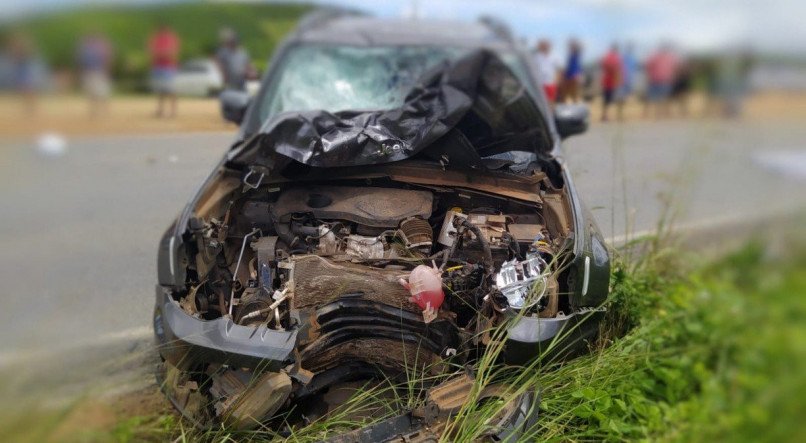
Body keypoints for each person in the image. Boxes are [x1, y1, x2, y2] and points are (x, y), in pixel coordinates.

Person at [77, 31, 113, 117]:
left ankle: (105, 110)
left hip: (99, 72)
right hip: (89, 72)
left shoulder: (101, 48)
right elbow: (80, 62)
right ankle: (93, 111)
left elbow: (107, 59)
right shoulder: (85, 49)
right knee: (91, 93)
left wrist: (107, 70)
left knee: (102, 93)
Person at [149, 23, 180, 118]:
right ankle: (160, 110)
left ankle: (173, 110)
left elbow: (171, 52)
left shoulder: (171, 39)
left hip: (168, 67)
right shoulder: (156, 39)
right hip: (158, 66)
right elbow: (152, 51)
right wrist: (162, 52)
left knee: (171, 89)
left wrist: (161, 53)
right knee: (160, 90)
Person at [643, 44, 678, 118]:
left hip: (659, 80)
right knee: (663, 98)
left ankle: (659, 114)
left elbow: (648, 66)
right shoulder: (670, 58)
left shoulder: (656, 57)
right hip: (661, 80)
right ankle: (663, 114)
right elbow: (675, 69)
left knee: (658, 98)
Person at [533, 39, 561, 104]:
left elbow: (559, 70)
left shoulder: (555, 56)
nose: (544, 46)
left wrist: (557, 81)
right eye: (543, 45)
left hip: (550, 83)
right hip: (539, 84)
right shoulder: (536, 57)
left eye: (546, 45)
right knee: (539, 103)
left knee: (550, 102)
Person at [600, 43, 622, 122]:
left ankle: (606, 116)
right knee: (611, 99)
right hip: (610, 82)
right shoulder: (614, 58)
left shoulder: (608, 57)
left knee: (607, 100)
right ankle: (614, 116)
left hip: (609, 82)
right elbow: (616, 69)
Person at [616, 43, 638, 120]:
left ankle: (621, 114)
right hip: (623, 80)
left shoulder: (632, 58)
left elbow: (633, 71)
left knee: (623, 98)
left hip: (627, 81)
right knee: (621, 98)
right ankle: (620, 115)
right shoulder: (623, 58)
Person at [560, 38, 583, 103]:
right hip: (568, 75)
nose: (570, 47)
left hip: (574, 76)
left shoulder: (576, 54)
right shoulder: (570, 55)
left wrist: (578, 75)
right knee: (565, 94)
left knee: (574, 94)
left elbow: (577, 67)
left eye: (572, 46)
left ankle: (574, 106)